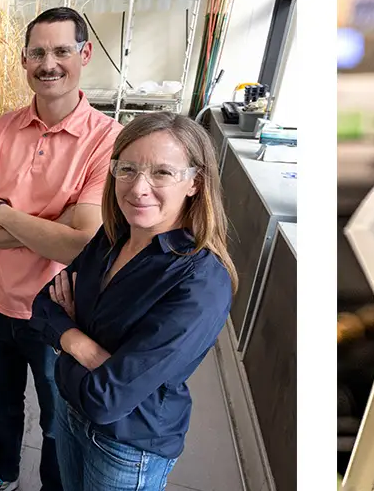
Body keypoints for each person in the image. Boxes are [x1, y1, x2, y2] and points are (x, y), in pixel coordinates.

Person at [0, 6, 122, 491]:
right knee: (1, 404)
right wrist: (54, 222)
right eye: (38, 53)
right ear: (24, 60)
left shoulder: (107, 141)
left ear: (84, 54)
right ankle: (2, 474)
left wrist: (2, 212)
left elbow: (80, 246)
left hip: (56, 309)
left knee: (57, 419)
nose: (49, 63)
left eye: (61, 51)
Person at [30, 112, 236, 490]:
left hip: (126, 447)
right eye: (127, 169)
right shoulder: (113, 237)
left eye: (162, 172)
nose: (138, 187)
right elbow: (43, 306)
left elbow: (106, 398)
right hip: (69, 414)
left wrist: (65, 341)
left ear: (195, 182)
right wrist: (84, 348)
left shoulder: (200, 282)